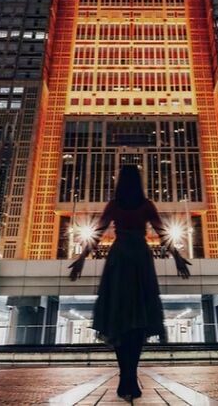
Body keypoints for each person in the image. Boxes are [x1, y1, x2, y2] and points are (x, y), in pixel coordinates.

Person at [68, 164, 191, 402]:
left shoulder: (114, 205)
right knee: (138, 321)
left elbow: (98, 232)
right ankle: (131, 377)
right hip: (140, 260)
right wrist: (177, 258)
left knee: (119, 317)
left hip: (120, 258)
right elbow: (163, 233)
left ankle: (125, 376)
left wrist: (82, 259)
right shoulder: (146, 205)